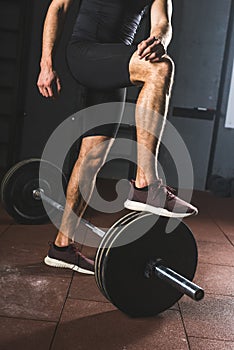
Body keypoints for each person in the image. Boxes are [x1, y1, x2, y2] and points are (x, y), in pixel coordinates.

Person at [37, 0, 198, 275]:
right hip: (85, 53)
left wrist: (159, 39)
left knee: (92, 155)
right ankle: (146, 183)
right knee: (160, 69)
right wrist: (46, 64)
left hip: (115, 61)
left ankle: (61, 247)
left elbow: (163, 23)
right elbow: (59, 6)